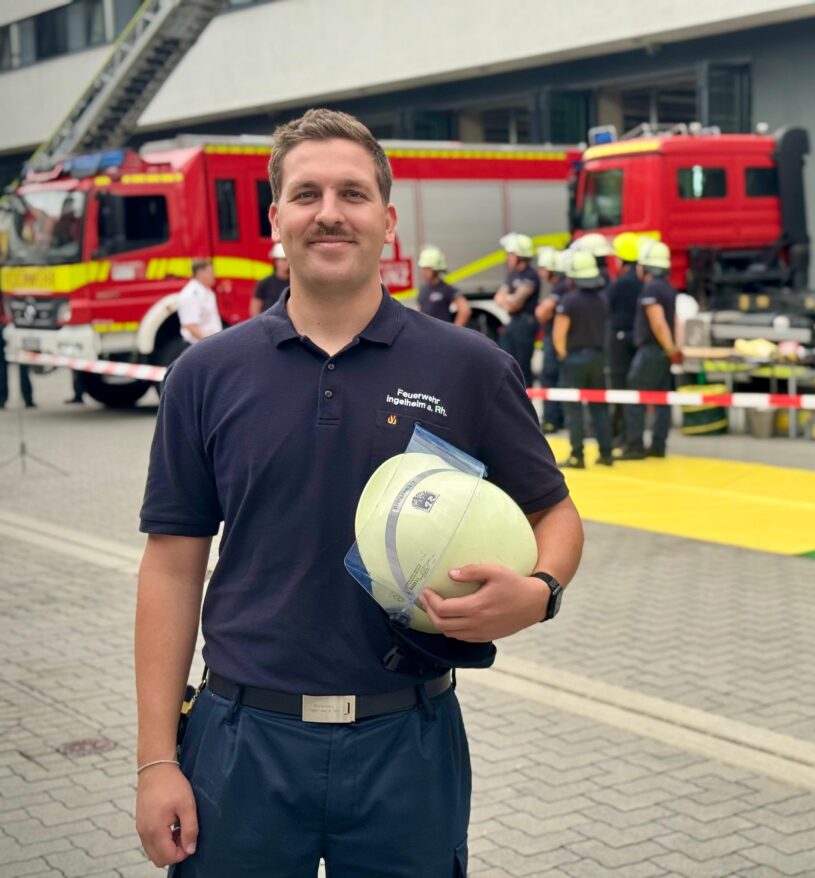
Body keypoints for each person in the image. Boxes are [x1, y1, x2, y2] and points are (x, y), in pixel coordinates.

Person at [134, 108, 583, 877]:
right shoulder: (205, 376)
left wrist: (540, 592)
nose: (329, 213)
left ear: (388, 219)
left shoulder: (469, 367)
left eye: (352, 193)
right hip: (241, 741)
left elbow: (555, 512)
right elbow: (172, 567)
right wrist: (155, 761)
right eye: (306, 194)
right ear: (276, 218)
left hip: (407, 739)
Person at [618, 240, 681, 460]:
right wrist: (673, 349)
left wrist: (670, 348)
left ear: (645, 266)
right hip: (662, 352)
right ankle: (658, 445)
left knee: (635, 395)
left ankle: (634, 445)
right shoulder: (668, 287)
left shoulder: (651, 288)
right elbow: (675, 321)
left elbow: (658, 323)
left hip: (652, 351)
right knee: (662, 399)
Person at [554, 249, 614, 469]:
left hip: (575, 359)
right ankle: (606, 453)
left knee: (574, 409)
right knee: (599, 408)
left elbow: (559, 335)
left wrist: (563, 355)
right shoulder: (603, 299)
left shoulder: (569, 301)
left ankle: (577, 455)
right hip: (598, 358)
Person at [604, 232, 644, 448]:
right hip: (635, 338)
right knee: (633, 389)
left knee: (619, 388)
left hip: (618, 341)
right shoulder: (642, 282)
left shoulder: (620, 284)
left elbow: (605, 305)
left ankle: (621, 435)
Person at [493, 232, 540, 386]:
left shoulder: (530, 275)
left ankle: (526, 396)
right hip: (513, 322)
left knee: (522, 366)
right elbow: (498, 298)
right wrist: (509, 300)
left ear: (520, 255)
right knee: (506, 361)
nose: (508, 258)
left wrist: (508, 300)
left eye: (511, 254)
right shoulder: (513, 274)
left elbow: (516, 303)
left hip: (525, 324)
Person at [534, 247, 566, 433]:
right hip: (557, 338)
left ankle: (551, 421)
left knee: (550, 376)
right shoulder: (563, 286)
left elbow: (542, 312)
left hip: (553, 339)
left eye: (543, 268)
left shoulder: (559, 288)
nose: (541, 272)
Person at [416, 245, 471, 326]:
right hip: (425, 332)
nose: (423, 272)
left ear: (436, 269)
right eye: (423, 268)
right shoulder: (423, 289)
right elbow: (418, 312)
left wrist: (454, 331)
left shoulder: (446, 289)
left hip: (440, 333)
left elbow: (465, 310)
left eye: (427, 268)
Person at [176, 259, 222, 345]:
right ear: (201, 273)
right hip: (198, 345)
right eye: (211, 272)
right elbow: (190, 325)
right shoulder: (191, 294)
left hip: (206, 343)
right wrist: (209, 342)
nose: (214, 275)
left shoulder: (206, 291)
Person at [0, 313, 35, 409]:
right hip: (17, 325)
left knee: (2, 366)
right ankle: (28, 398)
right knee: (22, 364)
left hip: (7, 324)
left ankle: (2, 399)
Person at [250, 243, 290, 316]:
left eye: (288, 260)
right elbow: (255, 308)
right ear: (276, 261)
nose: (287, 263)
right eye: (283, 260)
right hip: (268, 321)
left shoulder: (296, 284)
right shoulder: (265, 283)